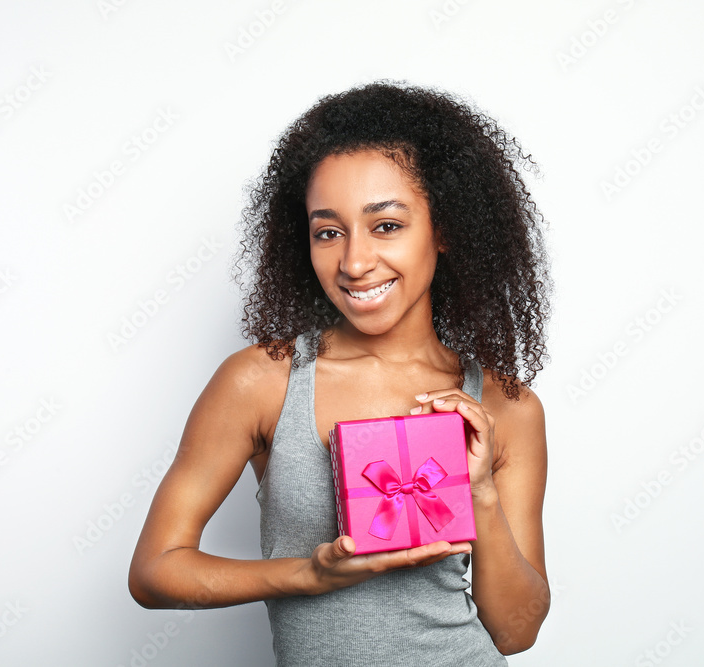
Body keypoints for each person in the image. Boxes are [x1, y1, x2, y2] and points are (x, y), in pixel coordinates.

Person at [129, 80, 552, 666]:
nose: (354, 262)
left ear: (445, 228)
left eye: (387, 225)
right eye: (328, 232)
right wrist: (308, 574)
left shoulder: (507, 407)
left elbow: (515, 633)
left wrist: (479, 493)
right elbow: (154, 572)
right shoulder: (263, 382)